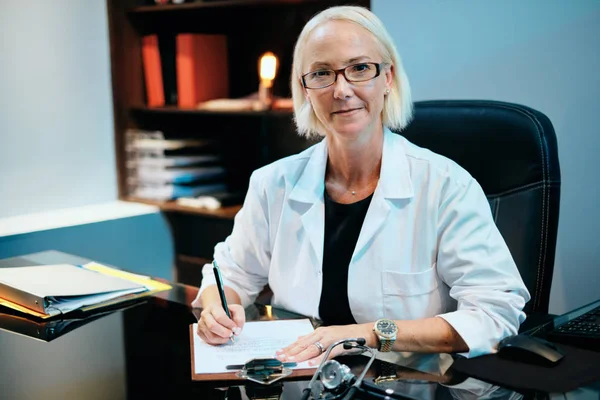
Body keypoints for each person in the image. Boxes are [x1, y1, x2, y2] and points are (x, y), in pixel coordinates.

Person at [192, 5, 529, 364]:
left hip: (408, 384)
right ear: (305, 89)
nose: (341, 90)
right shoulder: (272, 184)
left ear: (388, 78)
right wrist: (216, 307)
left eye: (360, 69)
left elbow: (495, 315)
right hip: (301, 379)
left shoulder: (446, 186)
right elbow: (230, 274)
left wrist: (361, 334)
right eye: (322, 73)